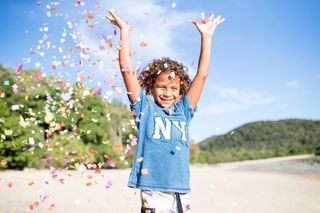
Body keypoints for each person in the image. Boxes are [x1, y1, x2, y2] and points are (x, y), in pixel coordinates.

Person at [106, 9, 224, 213]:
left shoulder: (184, 110)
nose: (167, 93)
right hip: (153, 190)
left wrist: (206, 37)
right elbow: (126, 69)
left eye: (174, 89)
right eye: (162, 87)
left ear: (180, 92)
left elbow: (202, 75)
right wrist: (125, 30)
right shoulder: (145, 108)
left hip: (181, 190)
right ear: (151, 86)